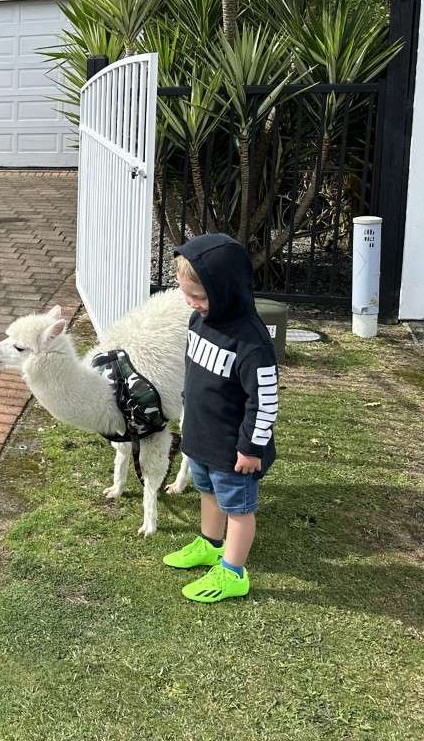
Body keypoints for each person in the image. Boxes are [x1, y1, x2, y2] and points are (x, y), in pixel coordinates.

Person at [163, 233, 279, 603]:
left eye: (199, 296)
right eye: (187, 294)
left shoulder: (252, 344)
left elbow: (264, 401)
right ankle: (212, 544)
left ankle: (233, 573)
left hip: (234, 451)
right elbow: (195, 376)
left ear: (226, 289)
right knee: (207, 491)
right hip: (201, 438)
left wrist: (251, 448)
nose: (192, 303)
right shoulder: (200, 322)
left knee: (239, 510)